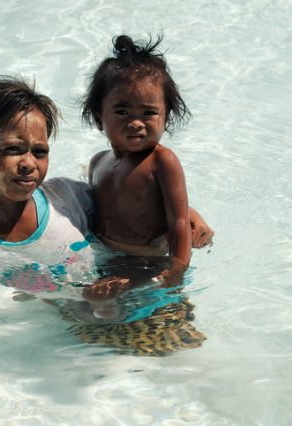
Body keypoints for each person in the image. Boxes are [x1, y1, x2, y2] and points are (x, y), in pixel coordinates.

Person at [0, 77, 213, 393]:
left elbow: (130, 202)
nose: (29, 164)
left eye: (40, 151)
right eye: (12, 149)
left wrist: (186, 214)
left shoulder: (66, 199)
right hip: (76, 320)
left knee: (187, 376)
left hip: (143, 300)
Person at [81, 34, 208, 285]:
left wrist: (177, 270)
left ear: (166, 117)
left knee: (157, 319)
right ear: (98, 117)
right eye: (122, 111)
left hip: (148, 262)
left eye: (149, 112)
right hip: (103, 257)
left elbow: (179, 221)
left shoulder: (162, 161)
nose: (136, 122)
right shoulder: (97, 163)